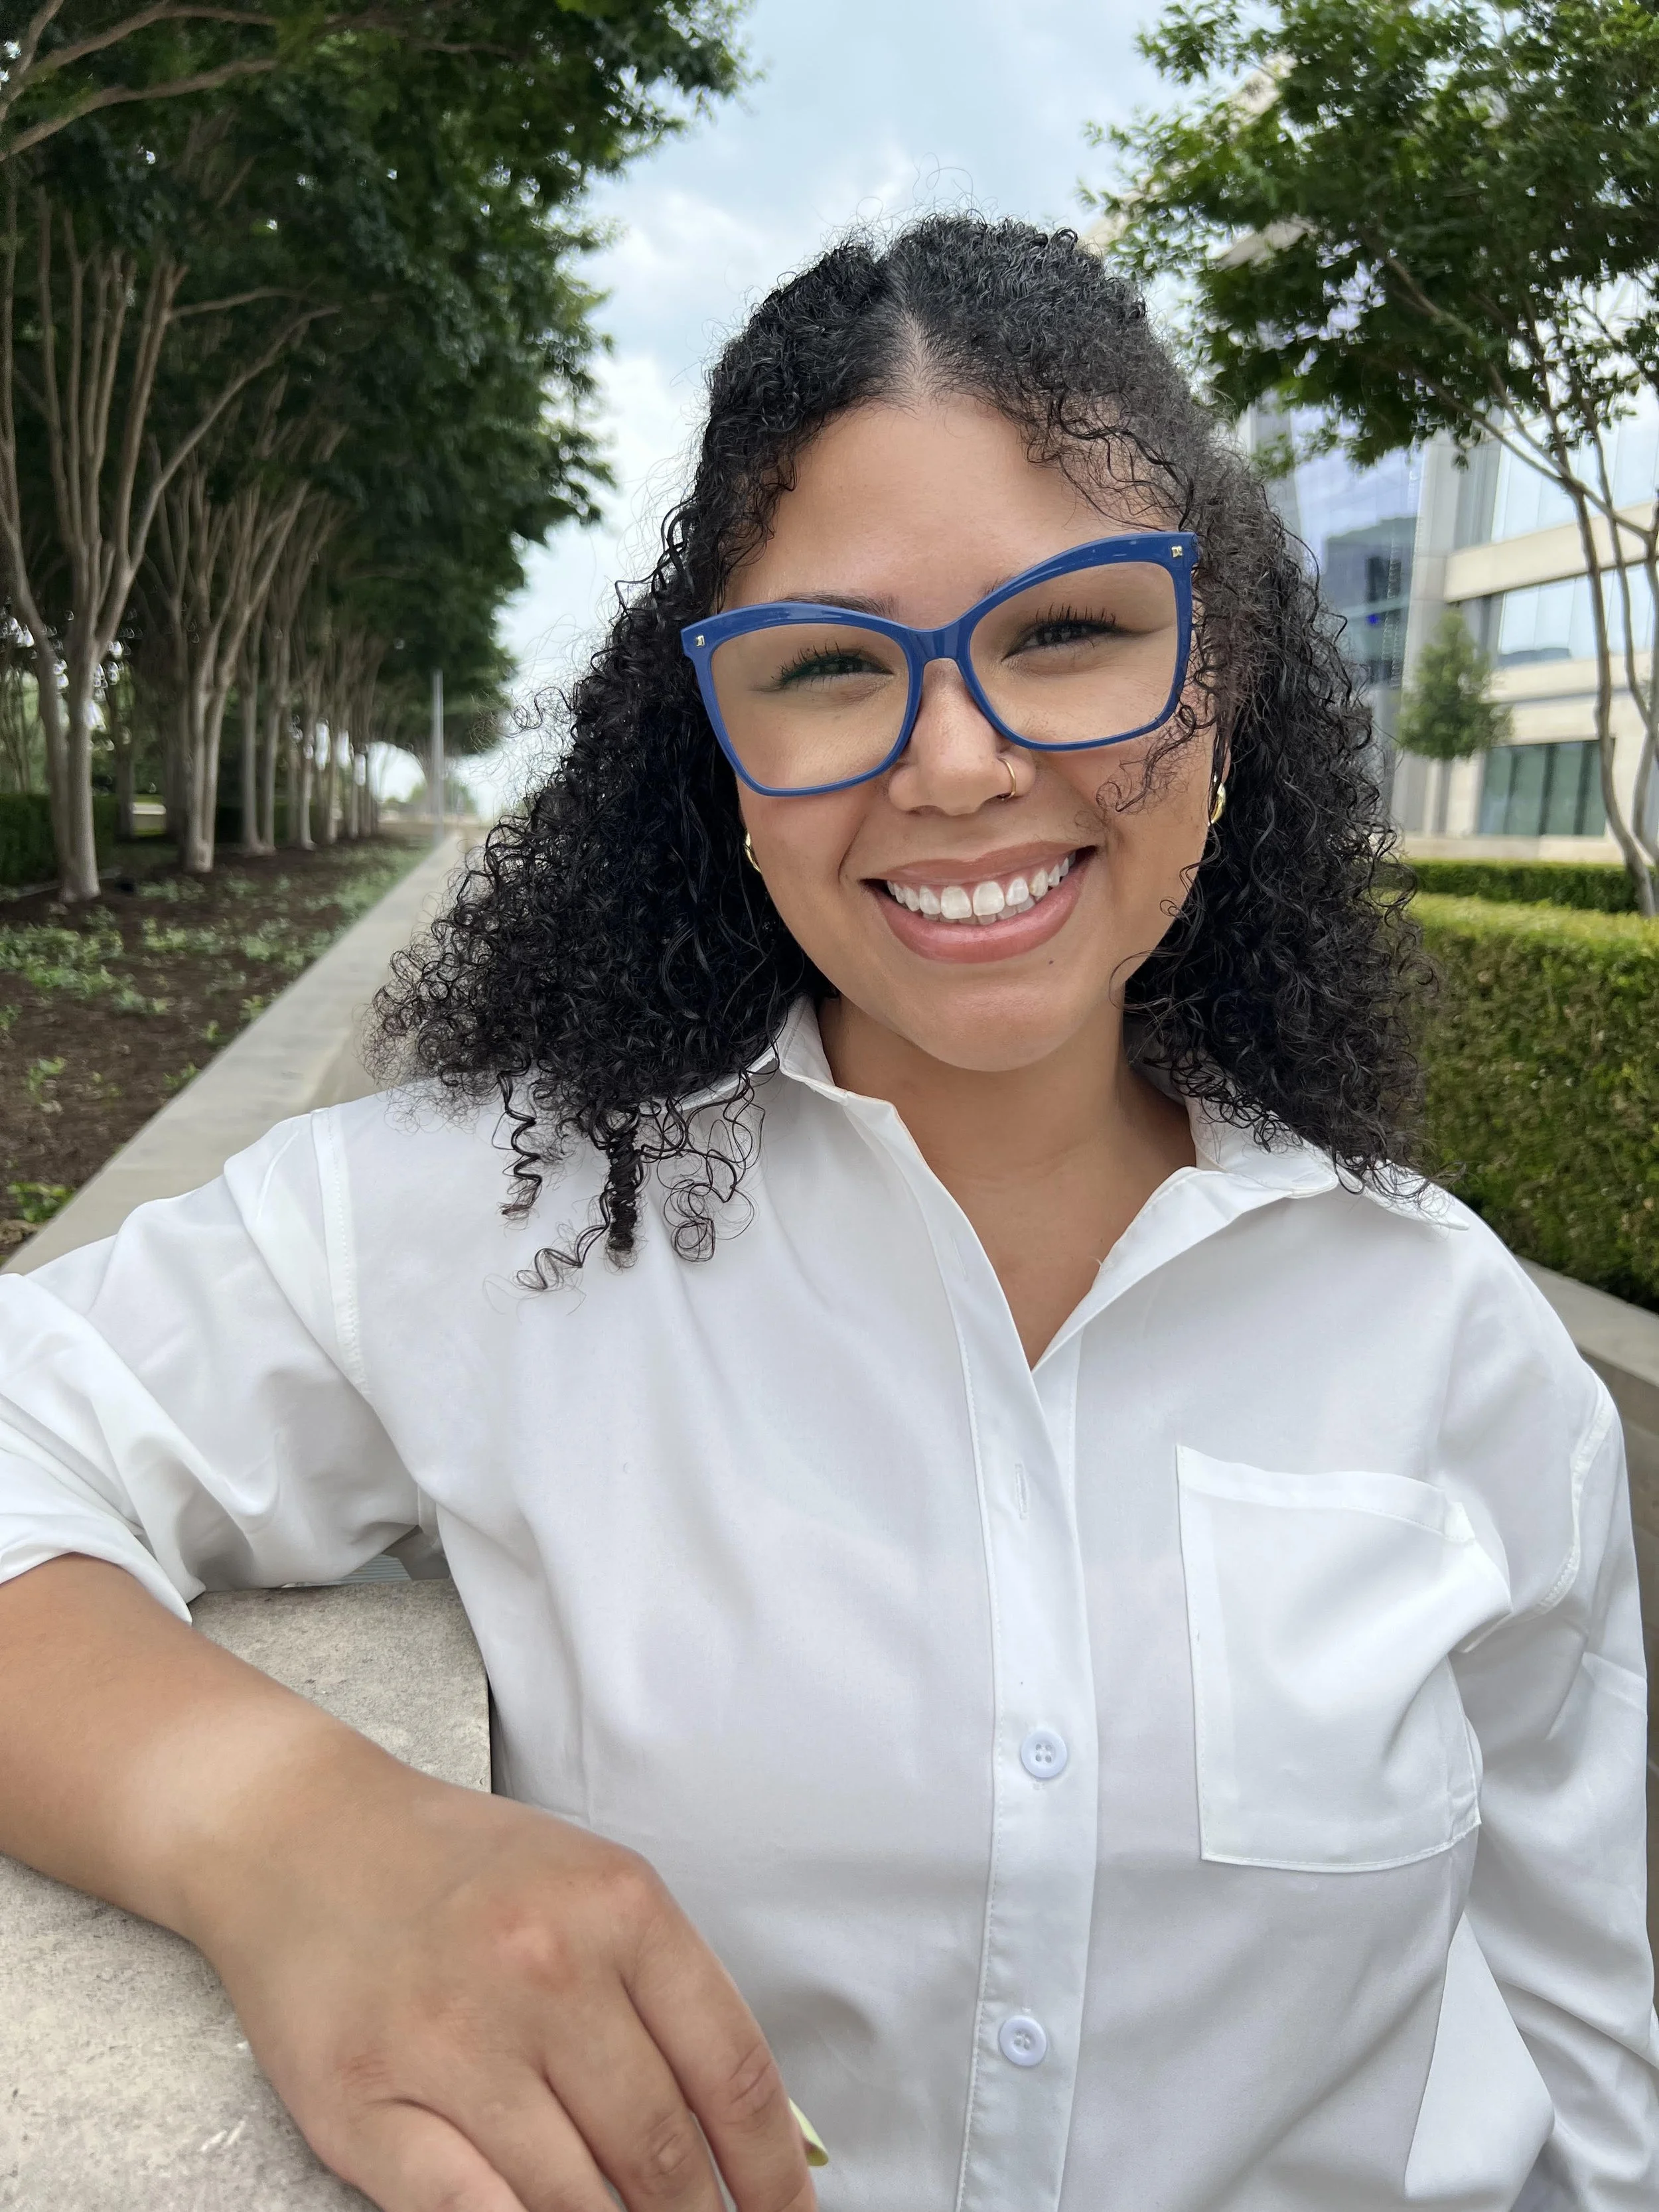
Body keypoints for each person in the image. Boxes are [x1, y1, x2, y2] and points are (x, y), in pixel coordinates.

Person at [0, 216, 1653, 2212]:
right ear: (720, 746)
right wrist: (294, 1833)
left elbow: (1587, 2074)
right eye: (829, 667)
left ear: (1214, 677)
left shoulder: (1459, 1344)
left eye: (1070, 631)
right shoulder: (509, 1218)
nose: (956, 761)